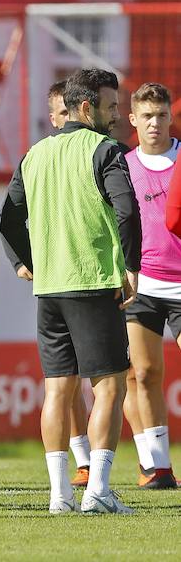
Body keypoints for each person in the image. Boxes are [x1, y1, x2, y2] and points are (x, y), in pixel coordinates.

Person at [0, 68, 140, 514]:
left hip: (49, 288)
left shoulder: (34, 154)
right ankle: (97, 489)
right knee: (109, 388)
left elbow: (6, 218)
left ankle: (60, 494)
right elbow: (127, 210)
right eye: (112, 106)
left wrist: (23, 262)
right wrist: (131, 266)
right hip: (93, 281)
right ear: (87, 107)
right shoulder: (107, 150)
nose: (117, 114)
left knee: (57, 390)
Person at [7, 80, 93, 488]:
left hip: (85, 277)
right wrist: (21, 260)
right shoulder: (38, 158)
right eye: (57, 114)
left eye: (66, 112)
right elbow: (10, 214)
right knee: (67, 379)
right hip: (63, 281)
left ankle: (94, 462)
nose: (61, 121)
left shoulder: (91, 153)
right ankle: (85, 461)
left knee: (81, 379)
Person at [121, 82, 180, 489]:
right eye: (147, 116)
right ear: (133, 120)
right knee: (143, 373)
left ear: (171, 117)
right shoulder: (122, 166)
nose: (154, 123)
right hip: (142, 285)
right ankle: (158, 469)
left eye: (161, 115)